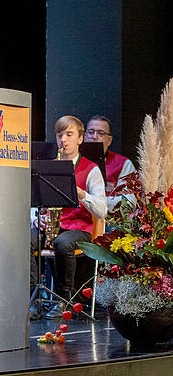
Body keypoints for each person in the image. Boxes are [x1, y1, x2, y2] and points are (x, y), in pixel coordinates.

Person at [30, 115, 107, 319]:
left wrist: (82, 194)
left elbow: (102, 210)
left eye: (69, 134)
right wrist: (37, 217)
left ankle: (63, 299)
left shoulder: (92, 170)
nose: (63, 140)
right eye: (60, 135)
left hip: (81, 228)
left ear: (80, 139)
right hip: (53, 224)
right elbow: (37, 200)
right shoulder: (48, 166)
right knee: (25, 240)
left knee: (62, 243)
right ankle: (33, 299)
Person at [84, 115, 135, 211]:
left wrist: (92, 202)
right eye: (91, 132)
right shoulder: (73, 160)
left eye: (101, 133)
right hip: (77, 222)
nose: (94, 137)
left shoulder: (123, 164)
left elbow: (129, 202)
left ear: (109, 140)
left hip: (109, 221)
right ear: (84, 136)